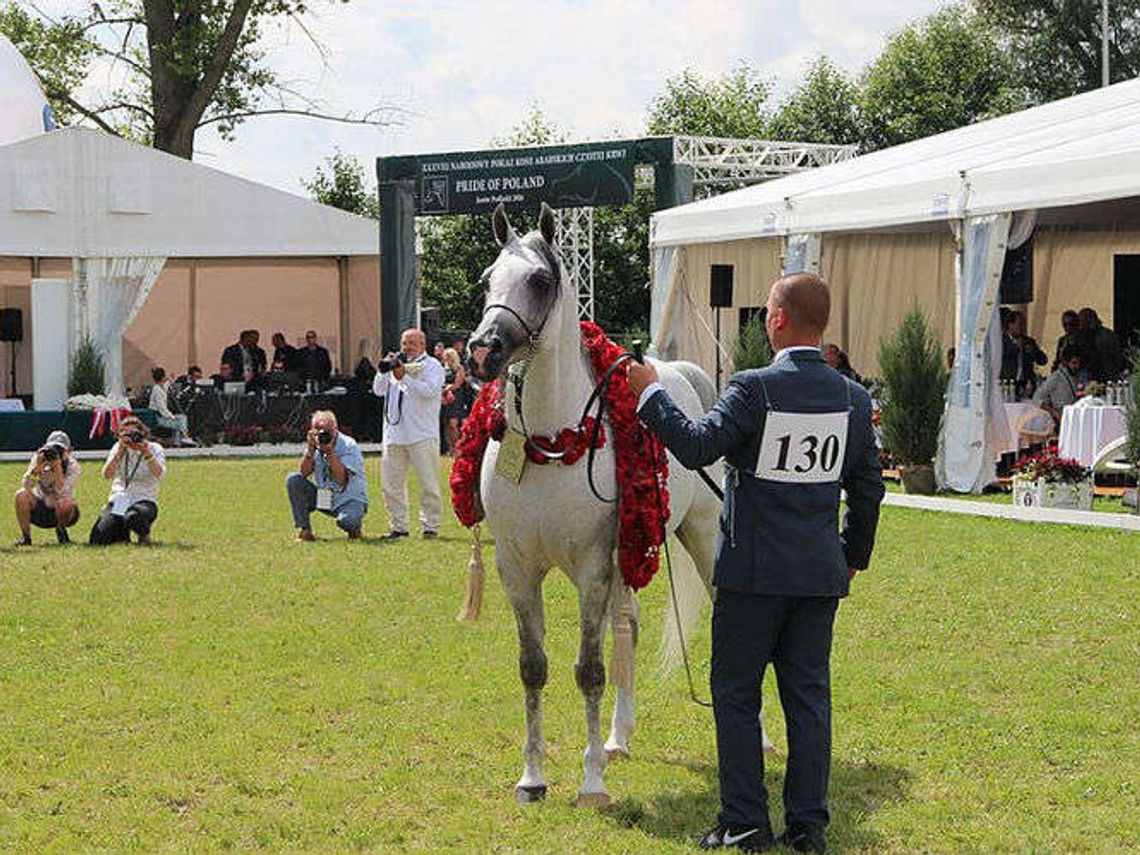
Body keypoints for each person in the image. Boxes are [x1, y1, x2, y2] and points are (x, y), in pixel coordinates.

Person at [627, 273, 884, 854]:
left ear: (776, 319)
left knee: (737, 695)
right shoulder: (852, 398)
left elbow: (694, 448)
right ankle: (808, 826)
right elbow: (868, 489)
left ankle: (744, 821)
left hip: (752, 576)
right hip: (818, 575)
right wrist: (851, 558)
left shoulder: (753, 388)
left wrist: (650, 392)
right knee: (809, 700)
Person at [372, 328, 445, 539]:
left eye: (412, 343)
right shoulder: (396, 364)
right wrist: (384, 369)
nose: (408, 347)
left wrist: (404, 378)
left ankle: (430, 526)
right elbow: (378, 390)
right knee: (391, 485)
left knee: (428, 483)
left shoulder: (432, 366)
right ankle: (398, 527)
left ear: (423, 345)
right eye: (405, 343)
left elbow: (430, 391)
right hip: (394, 433)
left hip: (421, 434)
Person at [285, 410, 368, 540]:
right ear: (312, 431)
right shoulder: (314, 445)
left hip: (349, 498)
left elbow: (341, 480)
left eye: (327, 430)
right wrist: (310, 451)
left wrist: (329, 453)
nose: (323, 434)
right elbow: (303, 473)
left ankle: (355, 529)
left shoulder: (348, 445)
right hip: (325, 498)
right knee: (294, 480)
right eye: (319, 430)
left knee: (347, 522)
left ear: (336, 429)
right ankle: (305, 530)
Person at [89, 416, 166, 545]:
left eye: (134, 433)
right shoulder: (118, 447)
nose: (130, 438)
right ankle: (122, 537)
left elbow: (160, 475)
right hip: (120, 499)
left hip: (144, 499)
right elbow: (107, 475)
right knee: (98, 539)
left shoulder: (154, 448)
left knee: (133, 516)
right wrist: (119, 453)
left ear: (142, 434)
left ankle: (144, 535)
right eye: (126, 434)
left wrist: (147, 453)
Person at [14, 430, 81, 545]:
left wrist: (58, 469)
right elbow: (26, 485)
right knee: (21, 495)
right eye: (53, 449)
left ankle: (61, 531)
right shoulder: (38, 460)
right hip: (40, 508)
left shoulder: (73, 466)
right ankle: (26, 537)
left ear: (68, 451)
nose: (55, 453)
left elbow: (64, 493)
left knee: (65, 502)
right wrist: (36, 469)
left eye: (60, 450)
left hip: (65, 513)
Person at [1000, 310, 1047, 399]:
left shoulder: (1029, 341)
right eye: (1020, 324)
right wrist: (1017, 348)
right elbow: (1002, 355)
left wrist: (1033, 351)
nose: (1023, 328)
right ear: (1011, 325)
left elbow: (1043, 360)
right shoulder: (1002, 342)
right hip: (1009, 383)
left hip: (1026, 383)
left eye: (1024, 325)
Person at [1033, 344, 1083, 425]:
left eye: (1078, 363)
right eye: (1074, 363)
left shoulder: (1077, 376)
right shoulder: (1056, 377)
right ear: (1065, 362)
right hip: (1061, 419)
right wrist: (1053, 412)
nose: (1077, 366)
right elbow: (1036, 398)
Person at [148, 367, 194, 447]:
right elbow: (162, 409)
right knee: (180, 421)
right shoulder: (157, 390)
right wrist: (172, 417)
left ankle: (178, 441)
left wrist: (170, 379)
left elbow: (167, 384)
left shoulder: (162, 387)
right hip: (158, 417)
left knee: (182, 417)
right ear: (162, 377)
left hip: (162, 415)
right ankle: (184, 437)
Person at [1078, 307, 1125, 383]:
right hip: (1107, 377)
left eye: (1082, 323)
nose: (1080, 327)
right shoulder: (1107, 334)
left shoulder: (1099, 337)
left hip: (1104, 377)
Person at [440, 347, 469, 455]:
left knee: (454, 424)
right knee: (446, 424)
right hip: (444, 397)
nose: (446, 359)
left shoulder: (459, 368)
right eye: (445, 356)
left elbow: (458, 383)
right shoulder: (443, 369)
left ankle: (458, 447)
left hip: (456, 398)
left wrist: (447, 388)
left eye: (449, 356)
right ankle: (450, 448)